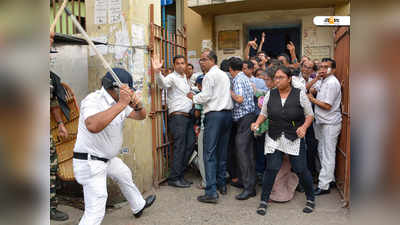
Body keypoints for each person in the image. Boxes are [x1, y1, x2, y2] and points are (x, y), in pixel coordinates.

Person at [73, 69, 156, 225]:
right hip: (90, 161)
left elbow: (141, 116)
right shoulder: (93, 100)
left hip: (107, 158)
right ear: (116, 88)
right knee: (96, 207)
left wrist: (138, 106)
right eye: (129, 89)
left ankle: (138, 206)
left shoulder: (119, 102)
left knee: (124, 174)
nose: (131, 93)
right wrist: (122, 103)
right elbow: (92, 125)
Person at [251, 65, 315, 215]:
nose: (277, 80)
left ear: (289, 79)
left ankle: (310, 198)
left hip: (294, 137)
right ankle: (263, 200)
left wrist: (304, 127)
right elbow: (264, 113)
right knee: (271, 168)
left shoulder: (299, 94)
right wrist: (257, 123)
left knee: (300, 168)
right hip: (274, 136)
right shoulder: (270, 94)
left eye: (281, 78)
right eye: (276, 78)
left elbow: (310, 115)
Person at [186, 50, 233, 204]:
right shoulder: (224, 75)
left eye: (204, 59)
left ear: (212, 60)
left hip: (214, 116)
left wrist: (194, 97)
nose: (201, 62)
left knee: (209, 154)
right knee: (222, 151)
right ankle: (222, 185)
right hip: (227, 115)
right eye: (200, 60)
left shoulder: (209, 76)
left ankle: (211, 192)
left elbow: (206, 96)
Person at [154, 55, 195, 188]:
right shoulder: (171, 77)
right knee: (180, 147)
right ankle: (174, 177)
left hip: (187, 117)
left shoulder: (184, 78)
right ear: (174, 65)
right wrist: (157, 72)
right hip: (178, 117)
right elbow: (162, 84)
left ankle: (180, 174)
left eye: (183, 63)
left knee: (189, 146)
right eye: (177, 63)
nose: (180, 65)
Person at [307, 58, 342, 195]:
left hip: (330, 123)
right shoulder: (323, 80)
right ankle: (329, 179)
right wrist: (316, 80)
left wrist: (312, 99)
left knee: (327, 153)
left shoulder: (332, 83)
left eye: (326, 67)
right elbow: (311, 89)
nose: (322, 69)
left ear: (333, 69)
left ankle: (324, 185)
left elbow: (327, 105)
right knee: (322, 151)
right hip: (321, 121)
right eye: (320, 67)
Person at [228, 57, 257, 200]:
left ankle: (249, 188)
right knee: (247, 152)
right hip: (248, 117)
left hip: (245, 119)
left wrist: (229, 92)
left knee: (243, 153)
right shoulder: (244, 77)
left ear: (231, 69)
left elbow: (239, 99)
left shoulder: (238, 79)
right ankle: (247, 182)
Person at [49, 71, 70, 221]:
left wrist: (60, 124)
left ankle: (49, 207)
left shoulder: (49, 77)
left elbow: (53, 102)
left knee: (50, 168)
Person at [193, 75, 206, 189]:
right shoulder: (214, 93)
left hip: (203, 127)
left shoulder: (200, 96)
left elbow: (197, 113)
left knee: (201, 156)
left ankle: (205, 182)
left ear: (199, 85)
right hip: (214, 128)